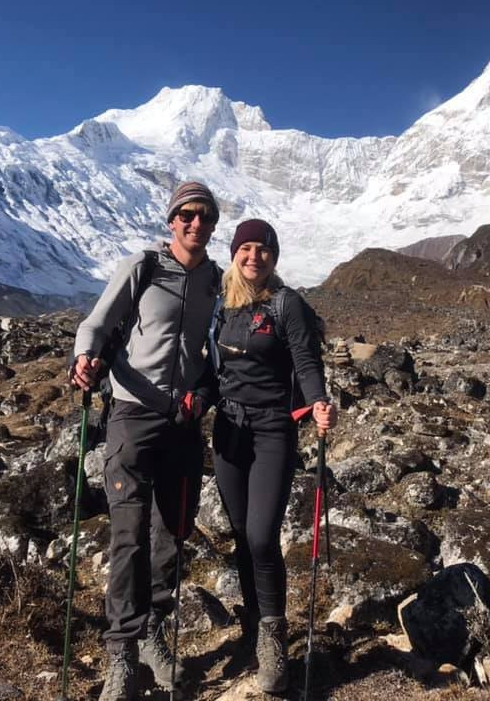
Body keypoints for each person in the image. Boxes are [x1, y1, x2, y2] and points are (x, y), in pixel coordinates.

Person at [71, 181, 222, 701]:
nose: (196, 223)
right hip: (133, 415)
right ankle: (122, 653)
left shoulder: (216, 284)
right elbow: (97, 323)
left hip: (182, 424)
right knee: (128, 535)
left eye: (204, 216)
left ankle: (155, 628)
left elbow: (213, 358)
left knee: (170, 535)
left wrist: (201, 395)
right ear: (171, 219)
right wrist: (83, 360)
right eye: (187, 214)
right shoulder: (143, 266)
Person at [209, 218, 337, 694]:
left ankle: (273, 638)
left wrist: (319, 402)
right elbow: (210, 365)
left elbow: (306, 362)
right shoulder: (222, 305)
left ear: (274, 255)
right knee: (241, 533)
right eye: (245, 248)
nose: (253, 257)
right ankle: (252, 623)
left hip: (272, 430)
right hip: (228, 429)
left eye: (263, 249)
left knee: (263, 536)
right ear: (235, 253)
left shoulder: (287, 305)